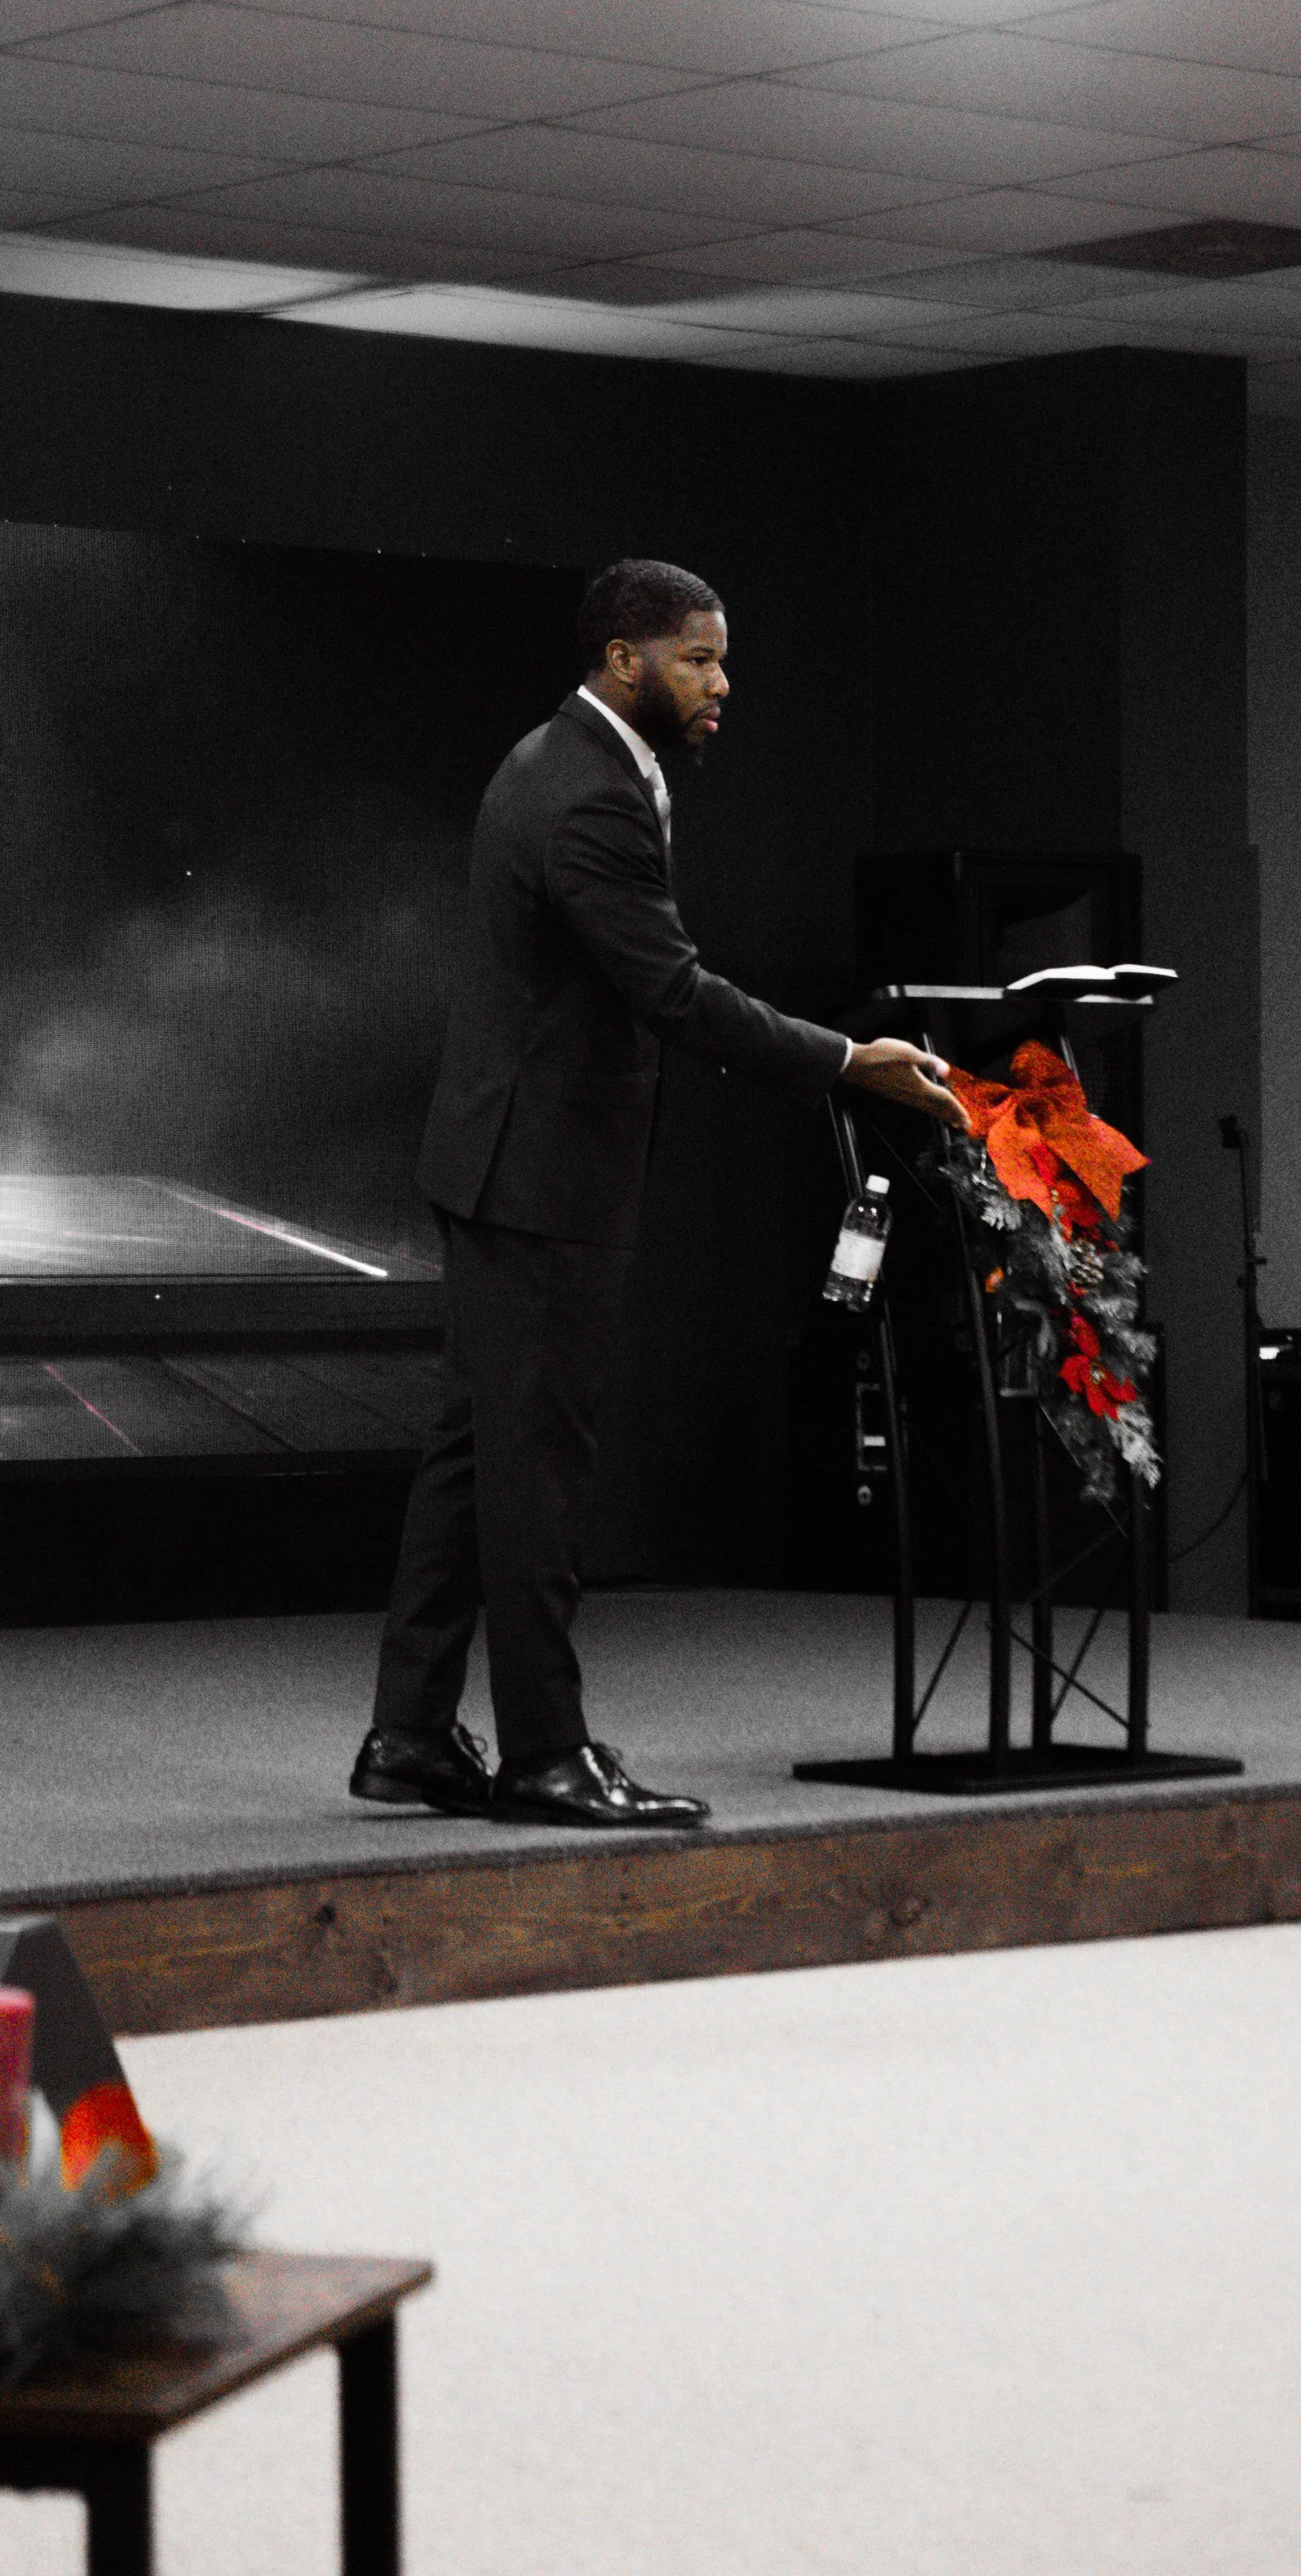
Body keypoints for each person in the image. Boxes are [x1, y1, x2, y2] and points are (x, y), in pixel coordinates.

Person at [350, 556, 965, 1832]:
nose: (721, 682)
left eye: (721, 658)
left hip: (504, 1161)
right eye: (699, 658)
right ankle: (544, 1753)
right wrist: (849, 1061)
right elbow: (673, 993)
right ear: (625, 659)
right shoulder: (588, 793)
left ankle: (410, 1734)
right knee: (535, 1467)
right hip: (537, 1176)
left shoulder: (566, 760)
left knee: (479, 1452)